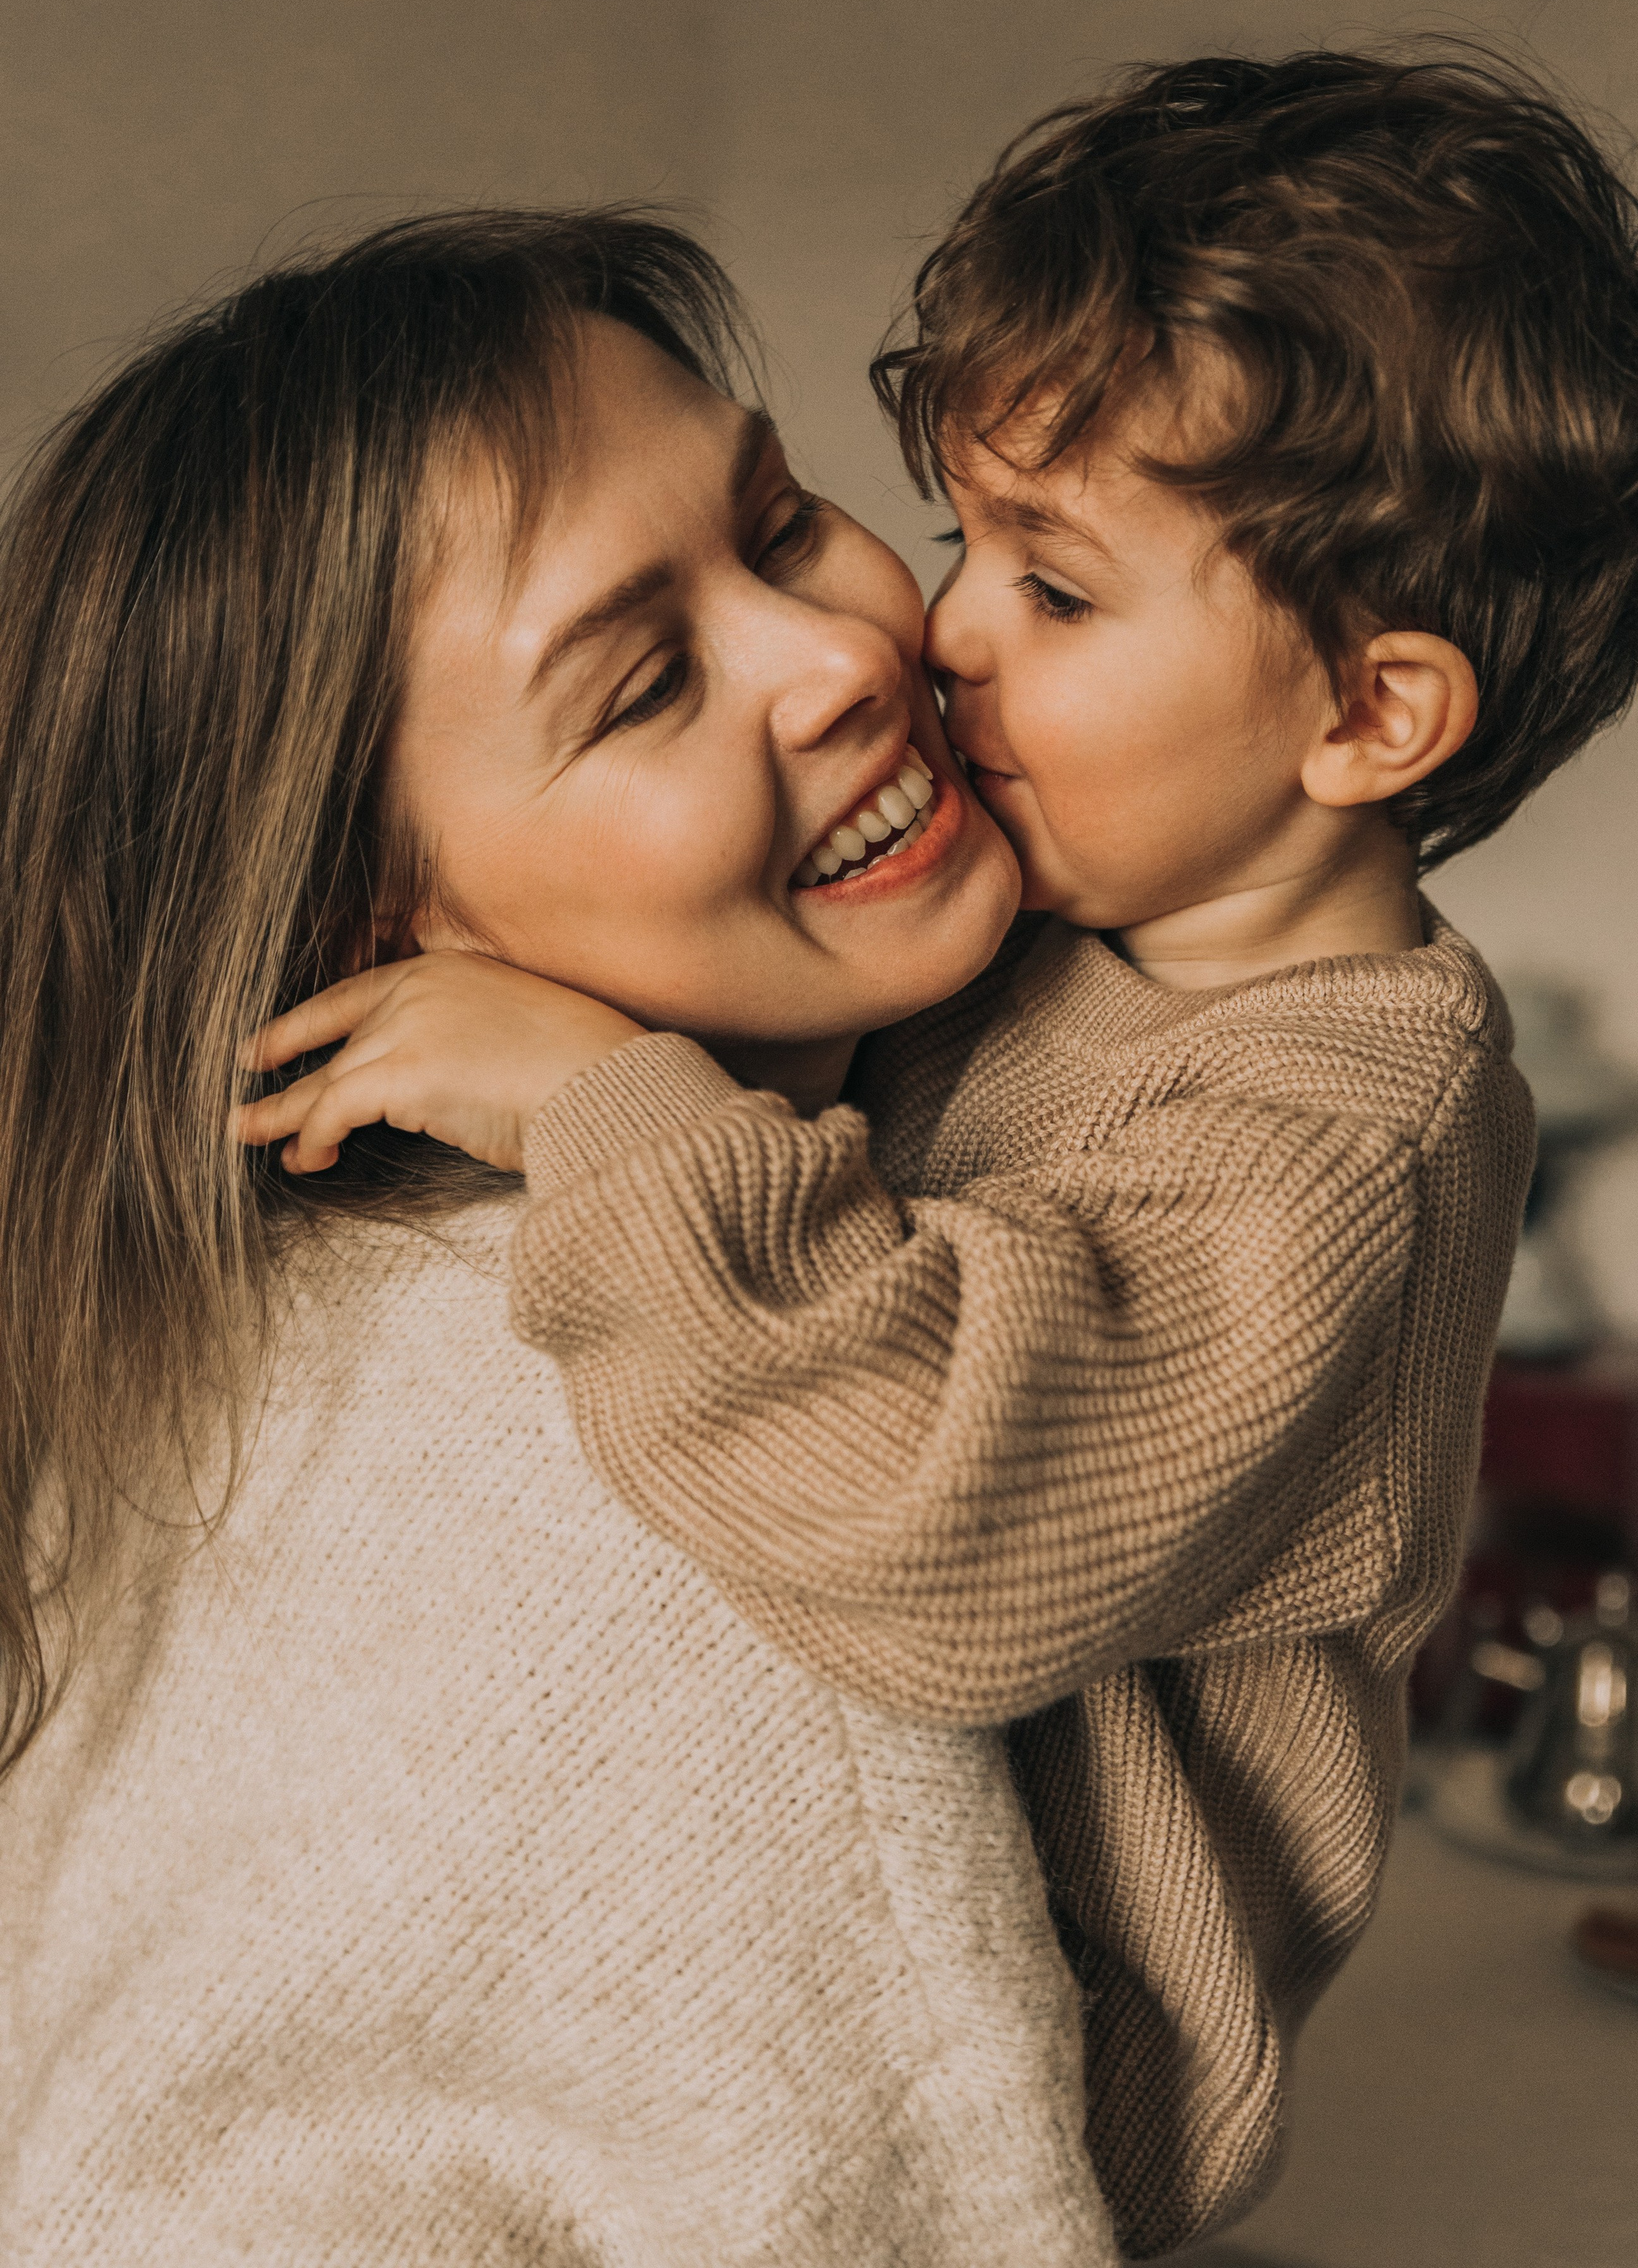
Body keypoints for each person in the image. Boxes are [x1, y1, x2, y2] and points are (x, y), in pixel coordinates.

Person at [249, 50, 1638, 2258]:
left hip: (1039, 2113)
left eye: (1057, 591)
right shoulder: (1044, 933)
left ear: (1368, 718)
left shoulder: (1333, 1142)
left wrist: (600, 1103)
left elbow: (937, 1526)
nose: (937, 631)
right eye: (953, 527)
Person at [0, 212, 1124, 2268]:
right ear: (368, 921)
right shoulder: (725, 1474)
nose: (845, 654)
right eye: (642, 687)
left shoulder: (288, 1322)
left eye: (781, 523)